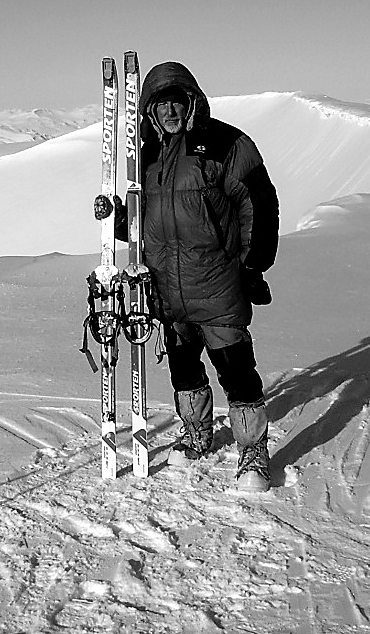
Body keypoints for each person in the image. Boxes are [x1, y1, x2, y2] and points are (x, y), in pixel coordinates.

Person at [94, 61, 279, 491]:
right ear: (149, 112)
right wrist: (115, 219)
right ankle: (198, 432)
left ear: (192, 101)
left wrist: (253, 265)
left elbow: (259, 202)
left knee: (236, 370)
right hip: (166, 288)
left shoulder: (226, 145)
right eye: (161, 105)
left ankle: (253, 450)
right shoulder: (147, 157)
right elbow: (143, 222)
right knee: (183, 368)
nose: (171, 112)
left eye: (178, 101)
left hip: (217, 282)